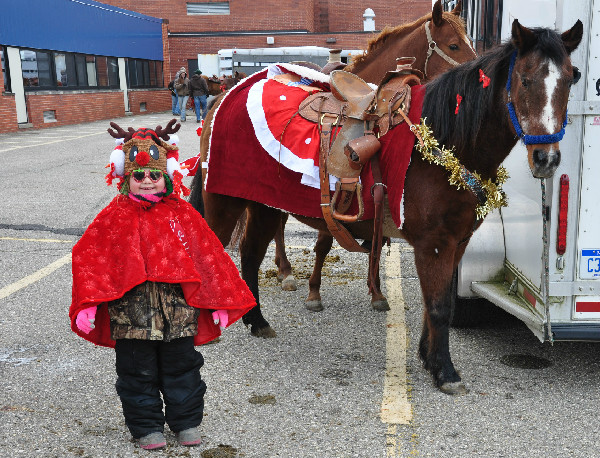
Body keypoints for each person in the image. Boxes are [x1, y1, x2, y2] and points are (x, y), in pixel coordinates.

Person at [69, 120, 255, 450]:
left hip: (179, 317)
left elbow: (208, 257)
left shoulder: (182, 214)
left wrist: (220, 301)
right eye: (139, 176)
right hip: (131, 320)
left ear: (166, 176)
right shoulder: (115, 215)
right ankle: (145, 428)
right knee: (136, 373)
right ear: (126, 177)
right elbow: (91, 256)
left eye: (154, 175)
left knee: (183, 368)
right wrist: (89, 301)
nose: (147, 181)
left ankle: (186, 423)